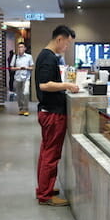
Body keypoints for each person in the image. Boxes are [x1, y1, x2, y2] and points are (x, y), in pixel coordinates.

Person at [35, 25, 79, 206]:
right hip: (52, 113)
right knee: (51, 155)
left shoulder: (47, 56)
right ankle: (45, 195)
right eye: (67, 44)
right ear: (60, 39)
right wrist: (67, 86)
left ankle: (43, 188)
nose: (66, 47)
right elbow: (44, 85)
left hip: (48, 111)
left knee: (46, 152)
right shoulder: (49, 58)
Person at [10, 42, 34, 116]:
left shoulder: (29, 57)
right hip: (17, 78)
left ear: (25, 48)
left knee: (26, 93)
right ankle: (21, 108)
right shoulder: (15, 56)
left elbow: (32, 67)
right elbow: (11, 68)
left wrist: (26, 68)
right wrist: (18, 68)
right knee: (19, 95)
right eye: (19, 47)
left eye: (22, 47)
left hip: (26, 78)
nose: (20, 48)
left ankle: (26, 109)